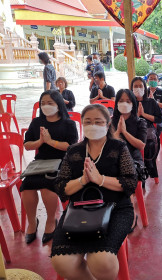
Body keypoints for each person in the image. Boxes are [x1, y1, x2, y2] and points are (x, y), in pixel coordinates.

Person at [51, 104, 137, 280]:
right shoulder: (74, 151)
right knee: (61, 261)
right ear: (82, 124)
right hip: (79, 209)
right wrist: (83, 180)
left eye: (98, 122)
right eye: (88, 122)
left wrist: (100, 179)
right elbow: (61, 186)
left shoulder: (118, 148)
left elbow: (130, 183)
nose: (93, 125)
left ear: (107, 125)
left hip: (116, 209)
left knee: (101, 260)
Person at [21, 90, 78, 244]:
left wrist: (51, 141)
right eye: (43, 103)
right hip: (40, 162)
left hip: (63, 162)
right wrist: (40, 142)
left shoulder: (69, 123)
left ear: (59, 105)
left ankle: (51, 221)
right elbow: (27, 145)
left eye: (50, 103)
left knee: (47, 188)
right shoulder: (36, 123)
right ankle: (32, 223)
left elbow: (71, 146)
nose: (46, 106)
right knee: (26, 188)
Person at [131, 77, 162, 181]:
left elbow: (159, 119)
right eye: (135, 86)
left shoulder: (151, 102)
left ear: (145, 88)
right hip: (132, 130)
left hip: (148, 131)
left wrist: (143, 114)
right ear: (131, 88)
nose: (138, 88)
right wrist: (137, 115)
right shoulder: (129, 103)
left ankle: (148, 168)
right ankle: (135, 173)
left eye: (140, 86)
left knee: (149, 144)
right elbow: (126, 120)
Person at [112, 89, 147, 165]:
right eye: (121, 101)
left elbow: (141, 146)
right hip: (113, 156)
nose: (124, 104)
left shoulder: (140, 122)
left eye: (128, 101)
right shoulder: (110, 122)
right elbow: (106, 144)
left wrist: (124, 132)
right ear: (117, 103)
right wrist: (118, 132)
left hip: (133, 158)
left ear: (133, 104)